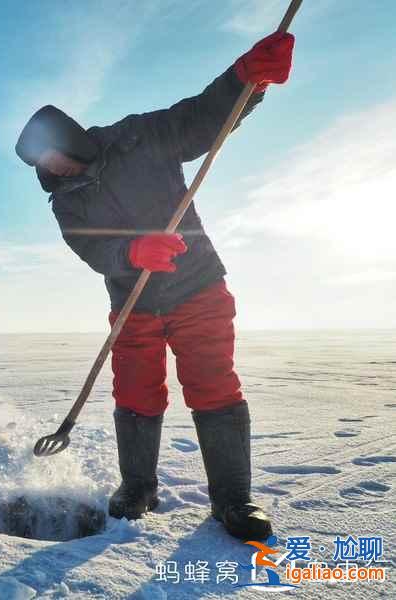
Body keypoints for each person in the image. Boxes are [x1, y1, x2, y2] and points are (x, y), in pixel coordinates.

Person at [15, 33, 294, 540]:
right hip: (133, 303)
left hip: (197, 286)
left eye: (52, 156)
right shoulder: (66, 204)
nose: (52, 170)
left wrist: (245, 80)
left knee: (213, 386)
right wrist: (131, 254)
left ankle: (233, 501)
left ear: (70, 137)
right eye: (43, 168)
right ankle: (138, 485)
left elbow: (199, 118)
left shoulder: (136, 137)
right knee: (136, 391)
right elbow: (92, 250)